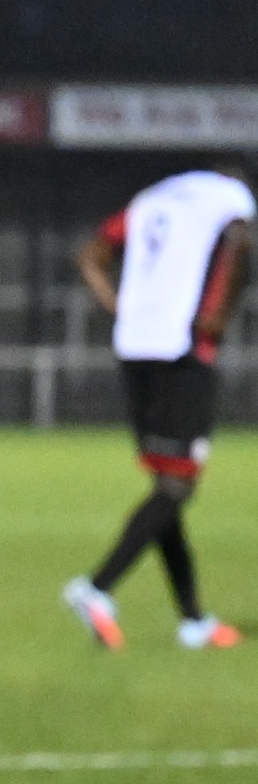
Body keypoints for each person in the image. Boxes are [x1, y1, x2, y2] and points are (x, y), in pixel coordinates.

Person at [63, 163, 251, 650]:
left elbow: (90, 255)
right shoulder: (232, 198)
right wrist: (218, 318)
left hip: (135, 347)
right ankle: (97, 588)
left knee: (168, 488)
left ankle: (193, 621)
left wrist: (120, 306)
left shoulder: (152, 199)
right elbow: (240, 243)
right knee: (177, 485)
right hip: (182, 350)